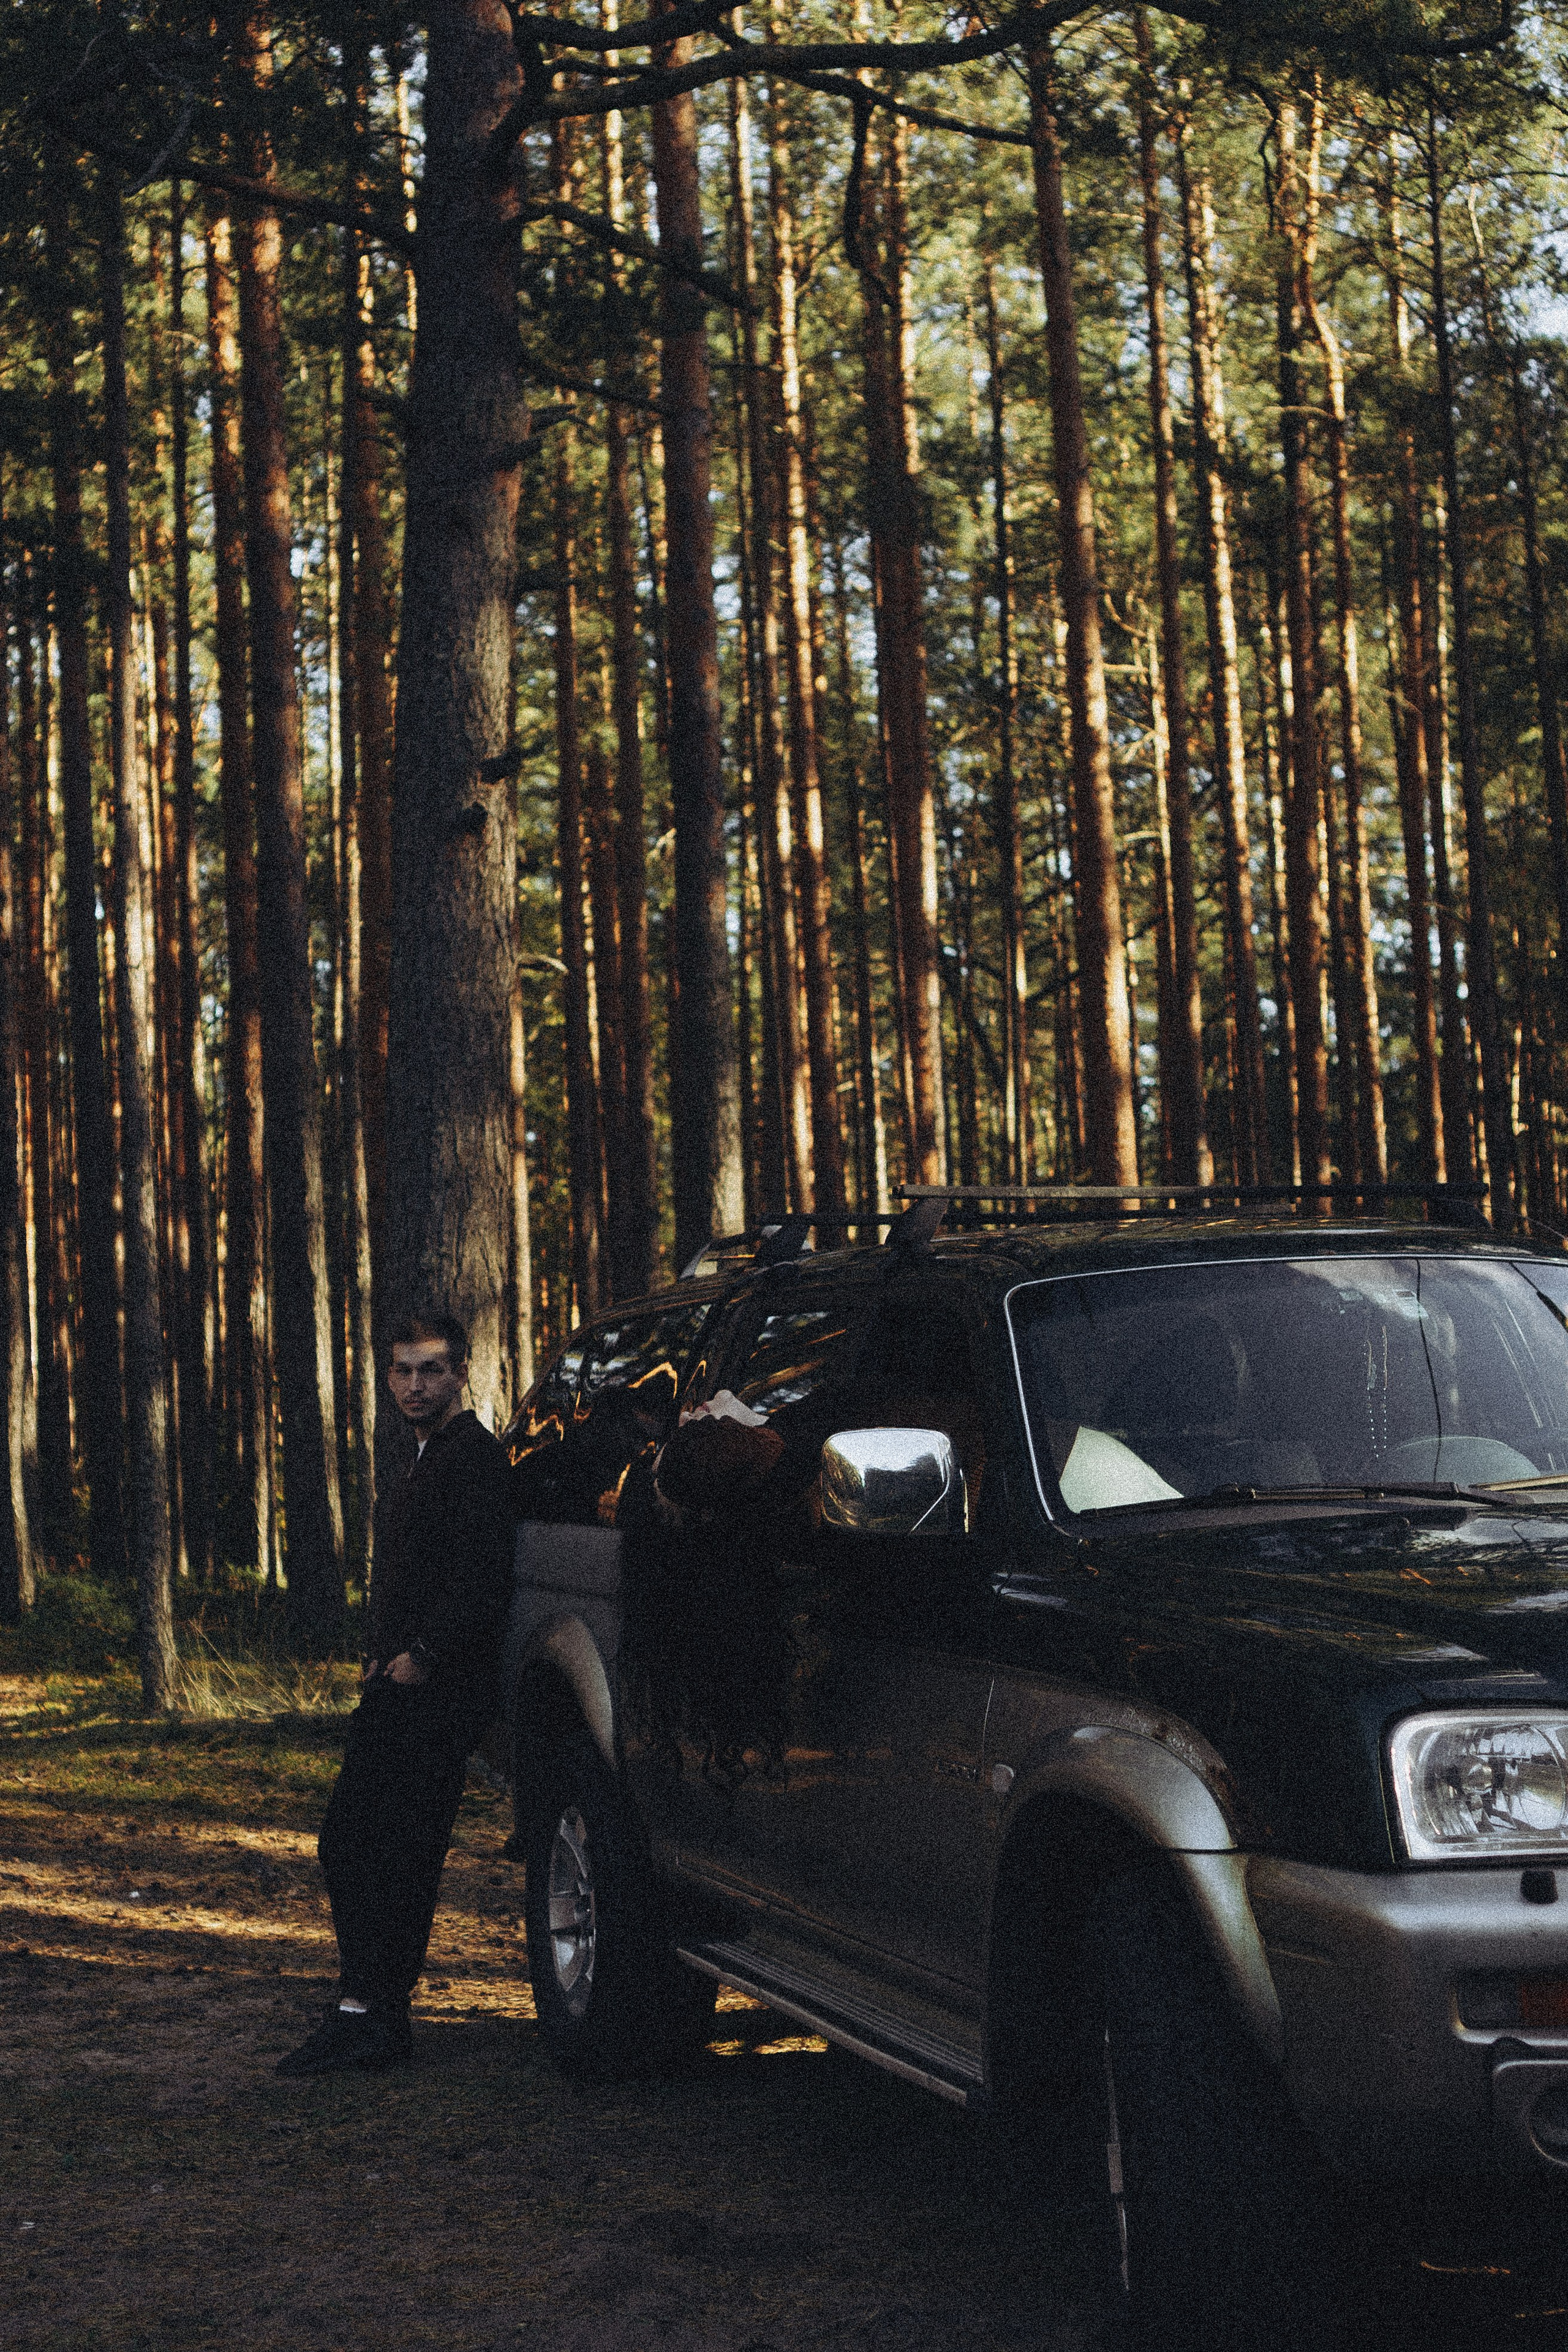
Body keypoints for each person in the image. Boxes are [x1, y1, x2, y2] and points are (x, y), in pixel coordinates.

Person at [277, 1309, 516, 2076]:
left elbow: (482, 1577)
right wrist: (384, 1656)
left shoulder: (473, 1459)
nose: (415, 1385)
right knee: (360, 1845)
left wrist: (423, 1654)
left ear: (461, 1374)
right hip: (400, 1680)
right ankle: (369, 2012)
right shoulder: (424, 1456)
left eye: (431, 1371)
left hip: (435, 1689)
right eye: (402, 1371)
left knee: (381, 1848)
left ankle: (373, 2017)